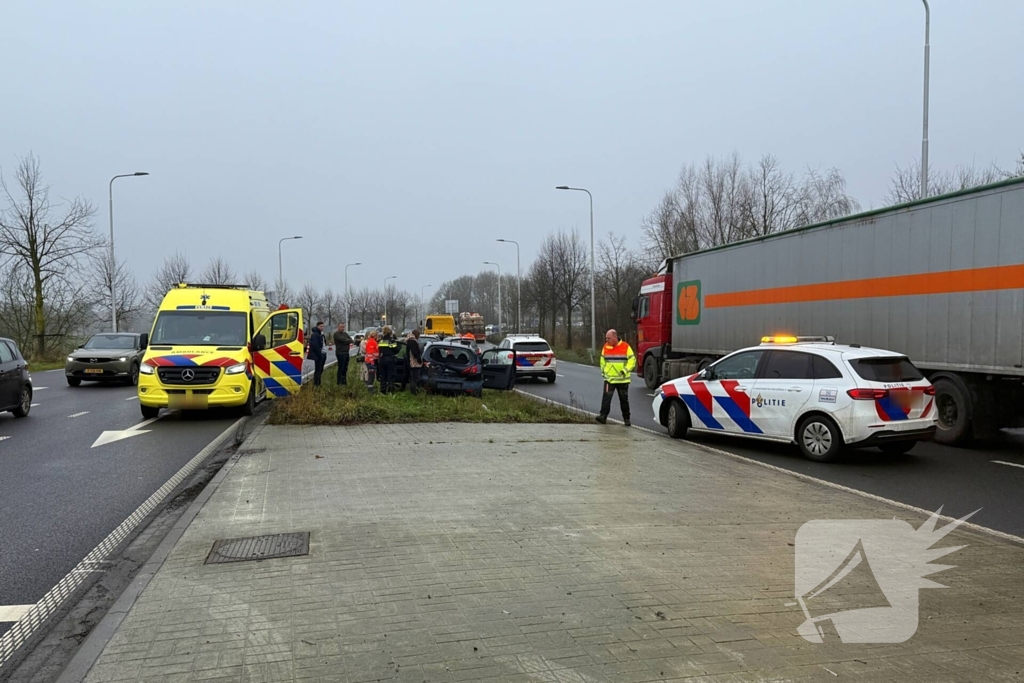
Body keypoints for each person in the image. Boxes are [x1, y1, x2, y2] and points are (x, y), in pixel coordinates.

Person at [596, 328, 635, 426]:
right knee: (606, 398)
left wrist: (625, 370)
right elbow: (602, 361)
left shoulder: (625, 347)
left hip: (622, 380)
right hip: (609, 379)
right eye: (606, 338)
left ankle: (627, 419)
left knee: (624, 400)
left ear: (615, 337)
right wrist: (604, 372)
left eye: (608, 338)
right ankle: (603, 416)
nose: (607, 340)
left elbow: (632, 361)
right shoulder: (606, 347)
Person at [377, 325, 402, 395]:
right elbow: (396, 350)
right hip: (390, 360)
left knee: (383, 375)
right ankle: (390, 390)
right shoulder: (391, 341)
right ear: (390, 332)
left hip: (382, 360)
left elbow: (379, 350)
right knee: (390, 375)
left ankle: (382, 390)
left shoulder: (381, 341)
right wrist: (398, 346)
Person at [307, 321, 327, 387]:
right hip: (319, 355)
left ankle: (319, 383)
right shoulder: (315, 334)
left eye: (323, 326)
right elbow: (315, 345)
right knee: (318, 370)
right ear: (317, 326)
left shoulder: (321, 334)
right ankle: (316, 384)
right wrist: (319, 354)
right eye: (321, 326)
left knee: (321, 369)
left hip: (323, 353)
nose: (322, 328)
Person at [405, 328, 423, 394]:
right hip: (414, 363)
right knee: (415, 378)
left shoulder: (409, 341)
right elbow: (415, 352)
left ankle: (413, 391)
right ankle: (414, 392)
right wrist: (419, 360)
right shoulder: (413, 342)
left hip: (411, 362)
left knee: (413, 378)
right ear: (416, 335)